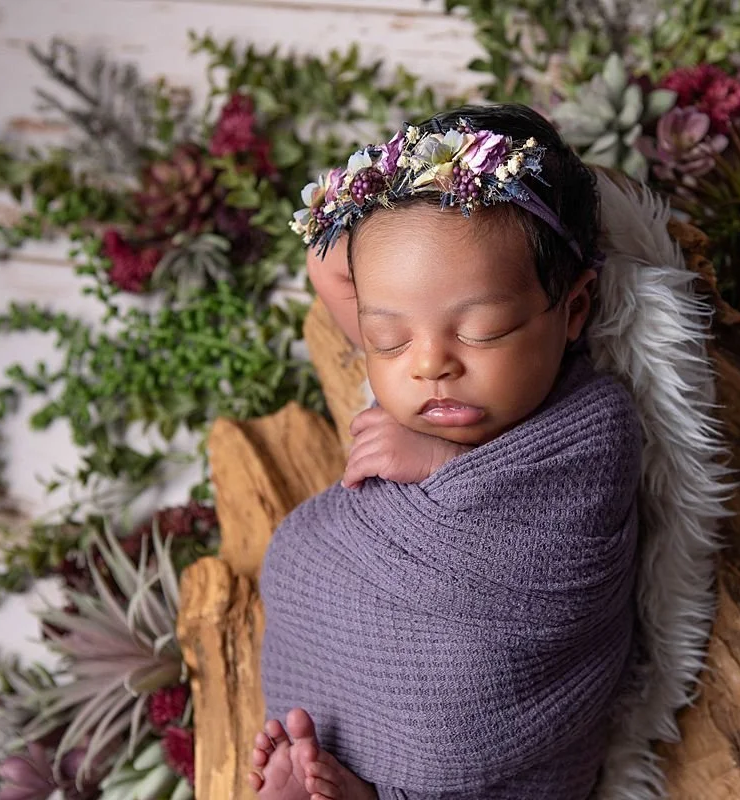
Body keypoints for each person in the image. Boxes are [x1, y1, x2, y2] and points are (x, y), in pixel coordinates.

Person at [249, 103, 643, 800]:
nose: (430, 365)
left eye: (484, 330)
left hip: (491, 707)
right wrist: (399, 189)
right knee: (306, 575)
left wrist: (440, 460)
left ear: (573, 310)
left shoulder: (593, 425)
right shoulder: (412, 375)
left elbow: (556, 579)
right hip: (342, 639)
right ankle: (339, 778)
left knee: (464, 679)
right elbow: (327, 262)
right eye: (388, 339)